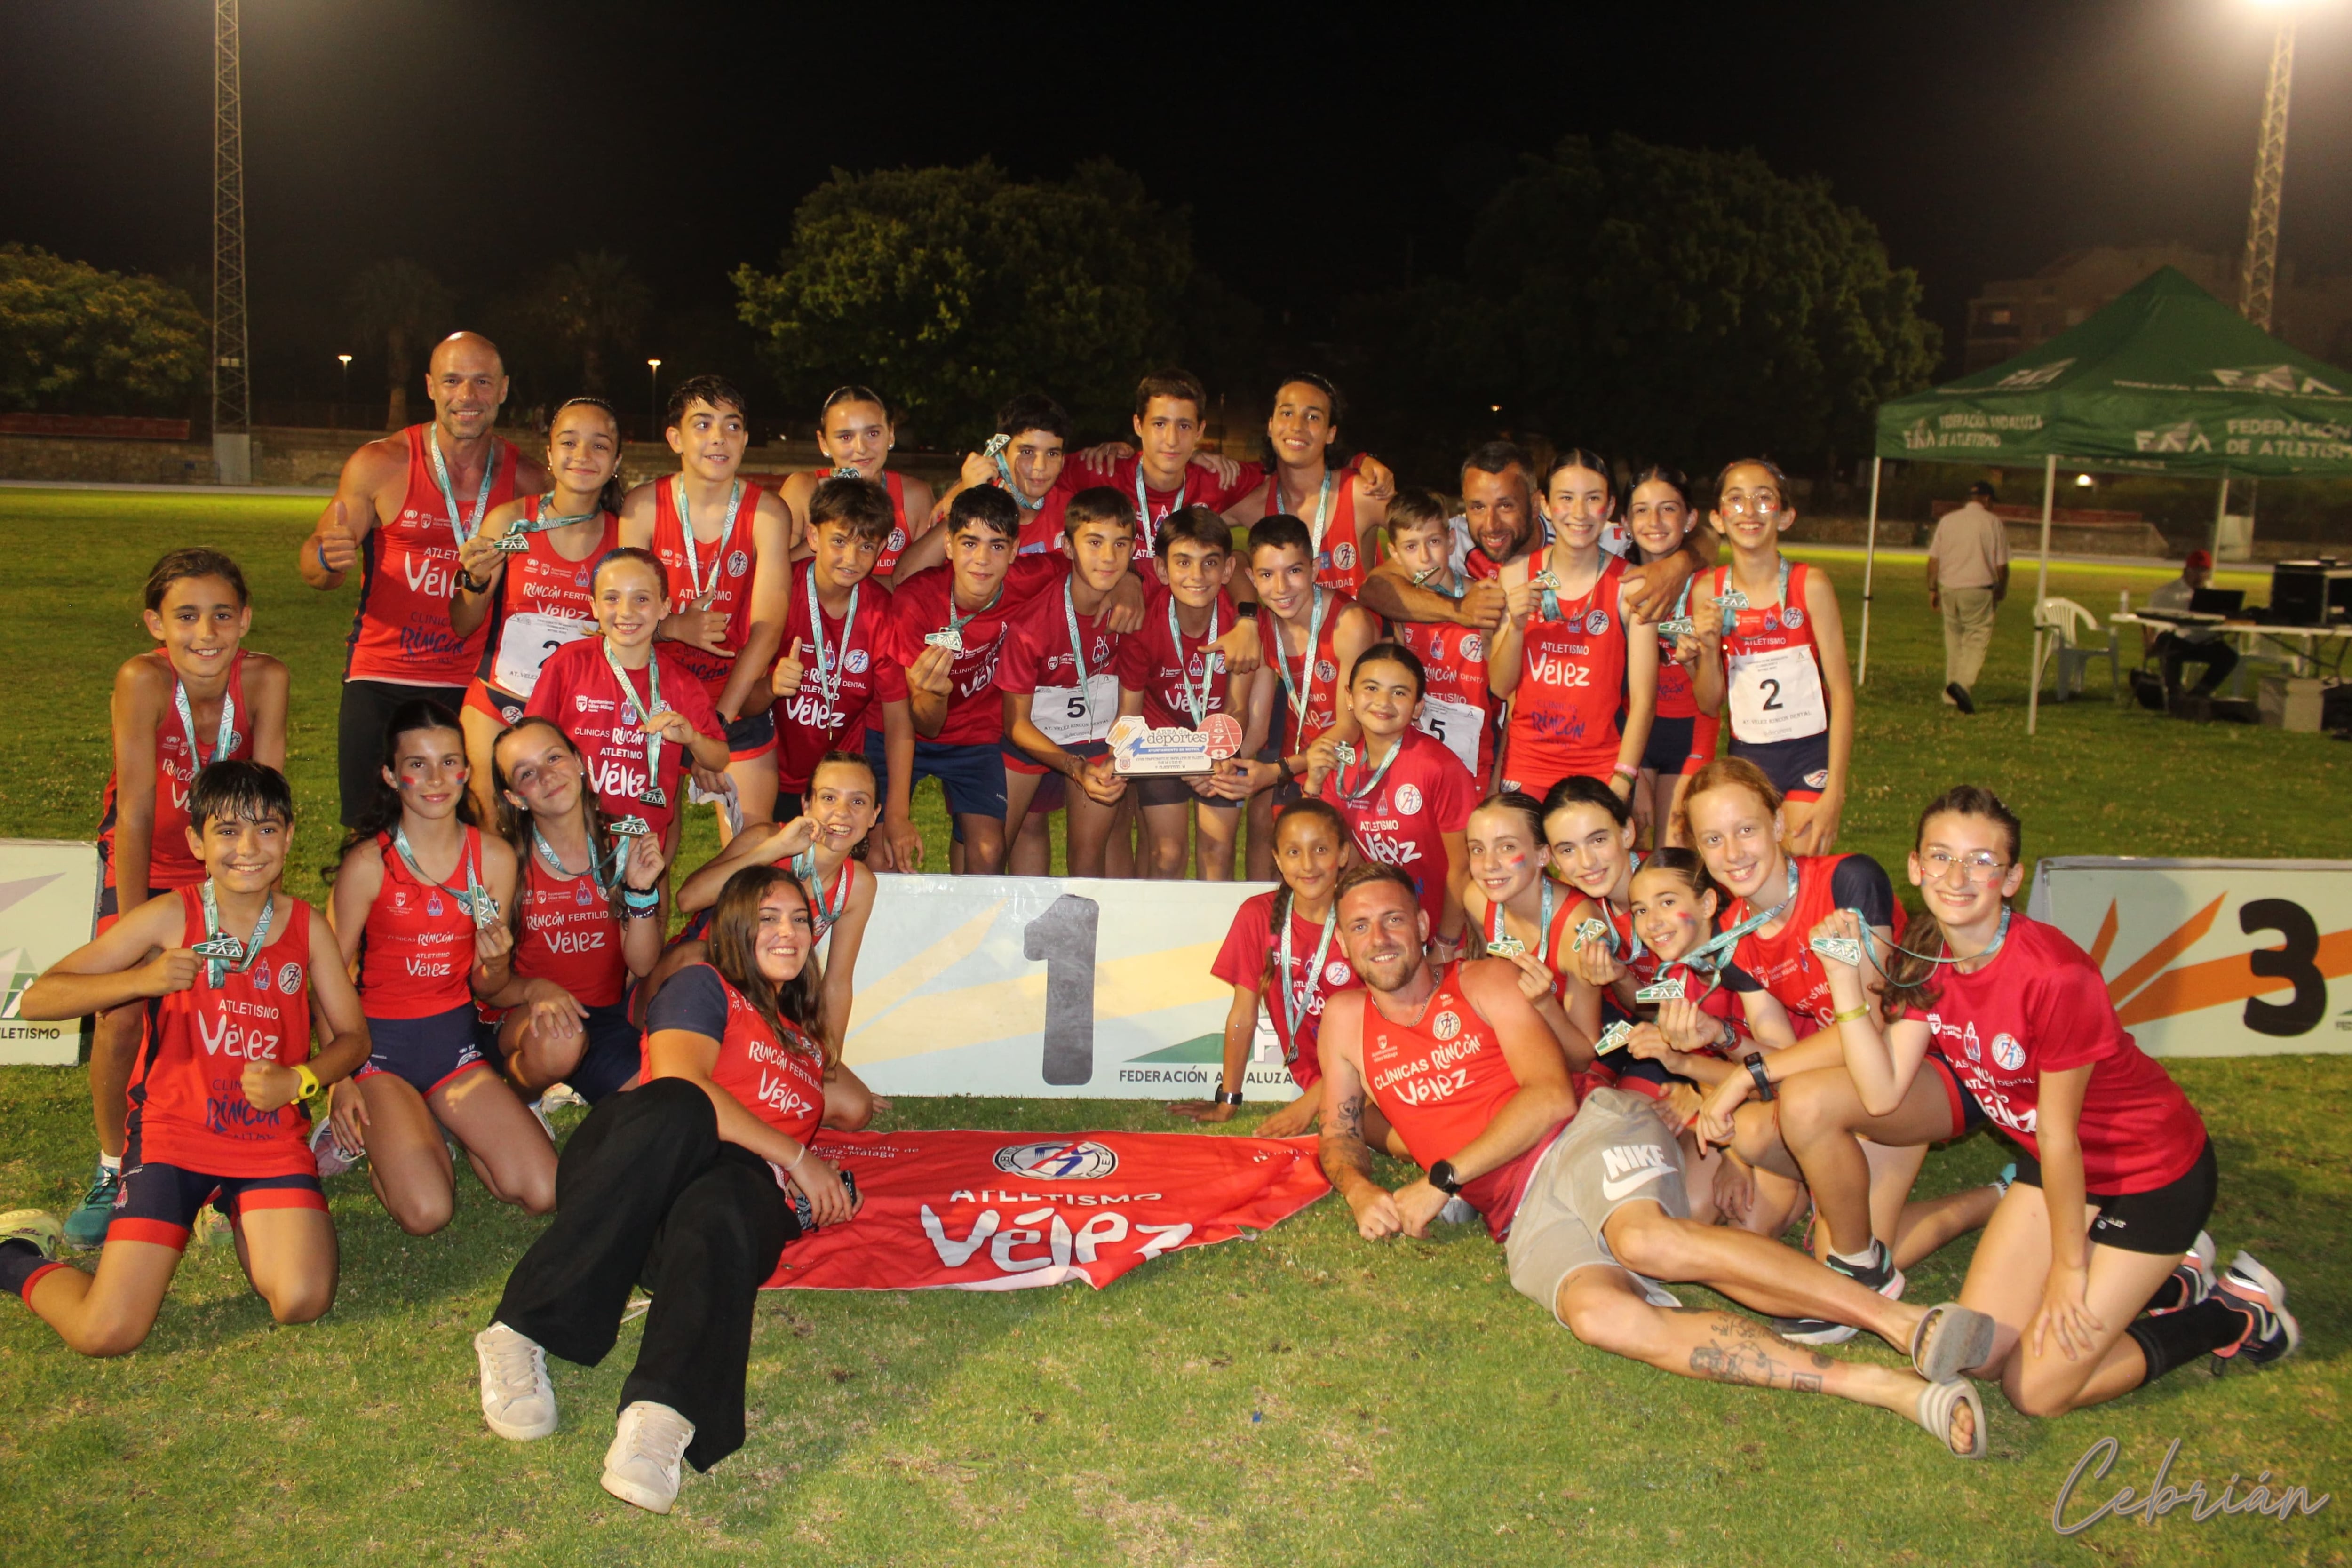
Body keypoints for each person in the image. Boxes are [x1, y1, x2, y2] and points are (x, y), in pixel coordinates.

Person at [1312, 862, 1998, 1460]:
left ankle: (1903, 1324)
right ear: (1342, 942)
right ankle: (1886, 1388)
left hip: (1582, 1133)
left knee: (1644, 1241)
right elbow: (1338, 1133)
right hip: (1517, 1211)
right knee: (1600, 1318)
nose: (1380, 938)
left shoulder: (1482, 980)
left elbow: (1549, 1098)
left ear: (1422, 924)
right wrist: (1360, 1191)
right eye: (1361, 927)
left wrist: (1443, 1181)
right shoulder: (1344, 1021)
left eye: (1393, 919)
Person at [1739, 785, 2298, 1417]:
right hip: (2063, 1175)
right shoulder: (1927, 951)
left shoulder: (2056, 975)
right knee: (1980, 1354)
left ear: (2011, 879)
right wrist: (1844, 981)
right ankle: (2169, 1280)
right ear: (1916, 867)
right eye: (1941, 856)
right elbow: (1881, 1090)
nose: (1957, 877)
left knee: (2034, 1390)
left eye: (1981, 861)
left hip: (2150, 1175)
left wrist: (2069, 1270)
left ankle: (2232, 1313)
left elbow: (2059, 1136)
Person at [470, 864, 860, 1514]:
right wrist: (798, 1157)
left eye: (800, 920)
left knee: (731, 1198)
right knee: (683, 1106)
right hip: (635, 1173)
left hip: (707, 1221)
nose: (789, 932)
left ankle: (660, 1417)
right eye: (768, 918)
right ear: (734, 927)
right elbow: (684, 1082)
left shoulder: (803, 1041)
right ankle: (520, 1328)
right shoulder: (703, 986)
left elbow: (840, 1106)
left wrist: (821, 1169)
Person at [1, 762, 369, 1356]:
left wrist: (301, 1080)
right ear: (197, 842)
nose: (248, 848)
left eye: (266, 830)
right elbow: (40, 998)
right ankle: (13, 1256)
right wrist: (141, 979)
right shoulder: (172, 916)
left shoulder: (307, 926)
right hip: (175, 1135)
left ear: (289, 838)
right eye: (227, 831)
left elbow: (353, 1038)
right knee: (107, 1333)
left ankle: (236, 1202)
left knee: (302, 1299)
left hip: (266, 1139)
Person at [1679, 757, 1989, 1331]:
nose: (1733, 853)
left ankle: (1862, 1266)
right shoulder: (1734, 934)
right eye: (1713, 839)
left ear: (1778, 824)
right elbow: (1777, 1048)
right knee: (1750, 1131)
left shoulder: (1849, 880)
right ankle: (1954, 1203)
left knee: (1804, 1115)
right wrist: (1719, 1041)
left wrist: (1745, 1076)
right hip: (1852, 1085)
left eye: (1746, 829)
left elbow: (1869, 1024)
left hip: (1923, 1068)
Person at [71, 550, 290, 1250]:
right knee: (121, 1012)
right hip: (149, 861)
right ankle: (113, 1165)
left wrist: (256, 915)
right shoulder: (143, 680)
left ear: (245, 619)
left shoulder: (266, 679)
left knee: (230, 1002)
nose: (206, 633)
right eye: (186, 616)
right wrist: (142, 932)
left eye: (222, 615)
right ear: (155, 624)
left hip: (230, 866)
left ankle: (223, 1162)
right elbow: (135, 811)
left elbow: (268, 810)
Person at [298, 331, 546, 828]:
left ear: (502, 389)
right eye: (453, 381)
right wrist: (327, 557)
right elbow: (316, 570)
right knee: (370, 838)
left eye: (482, 382)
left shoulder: (529, 481)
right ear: (431, 386)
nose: (467, 395)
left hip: (477, 685)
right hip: (382, 674)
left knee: (478, 837)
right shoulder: (382, 464)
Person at [323, 701, 553, 1234]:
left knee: (543, 1191)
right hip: (377, 1052)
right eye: (417, 764)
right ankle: (401, 1135)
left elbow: (488, 986)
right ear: (391, 775)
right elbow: (327, 976)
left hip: (454, 1049)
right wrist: (340, 1078)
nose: (435, 779)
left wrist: (495, 962)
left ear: (466, 771)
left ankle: (446, 1126)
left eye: (448, 762)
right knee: (428, 1213)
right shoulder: (369, 864)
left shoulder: (494, 859)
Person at [620, 375, 795, 837]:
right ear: (675, 438)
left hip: (733, 698)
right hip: (653, 696)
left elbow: (767, 628)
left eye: (732, 426)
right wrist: (674, 627)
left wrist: (714, 727)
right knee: (647, 845)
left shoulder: (768, 513)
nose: (719, 437)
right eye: (702, 424)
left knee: (752, 843)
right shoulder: (642, 507)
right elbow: (619, 618)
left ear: (745, 440)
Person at [449, 396, 626, 821]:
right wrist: (474, 581)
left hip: (579, 712)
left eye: (599, 446)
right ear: (549, 453)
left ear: (617, 461)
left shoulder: (626, 538)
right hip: (499, 702)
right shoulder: (511, 523)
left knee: (575, 837)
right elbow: (462, 623)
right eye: (569, 442)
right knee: (493, 834)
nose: (582, 455)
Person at [479, 718, 668, 1106]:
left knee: (665, 1094)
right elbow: (487, 986)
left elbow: (643, 964)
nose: (547, 776)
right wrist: (536, 989)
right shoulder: (503, 861)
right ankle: (524, 1095)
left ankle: (576, 1077)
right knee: (561, 1042)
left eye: (554, 758)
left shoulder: (621, 841)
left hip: (604, 1016)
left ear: (580, 762)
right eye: (527, 773)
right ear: (515, 798)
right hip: (526, 1012)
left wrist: (639, 889)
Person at [885, 486, 1073, 875]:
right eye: (970, 543)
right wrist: (935, 694)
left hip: (976, 736)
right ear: (949, 546)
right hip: (907, 731)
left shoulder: (1030, 577)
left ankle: (969, 913)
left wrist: (1129, 582)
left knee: (989, 851)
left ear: (1016, 550)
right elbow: (925, 724)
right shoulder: (916, 600)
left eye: (997, 546)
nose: (983, 560)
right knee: (880, 854)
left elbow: (1088, 566)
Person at [669, 751, 883, 1087]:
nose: (842, 812)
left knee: (853, 1106)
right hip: (702, 982)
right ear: (807, 804)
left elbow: (838, 982)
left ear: (874, 816)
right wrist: (775, 849)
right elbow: (688, 898)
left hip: (768, 1002)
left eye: (858, 802)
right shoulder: (767, 840)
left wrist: (828, 1066)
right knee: (696, 957)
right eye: (829, 798)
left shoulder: (858, 884)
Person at [1688, 459, 1854, 855]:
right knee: (1753, 868)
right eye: (1736, 500)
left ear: (1786, 516)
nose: (1749, 511)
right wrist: (1708, 647)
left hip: (1809, 754)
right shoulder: (1708, 592)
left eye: (1764, 499)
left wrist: (1836, 791)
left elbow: (1843, 694)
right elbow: (1708, 703)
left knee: (1802, 865)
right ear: (1718, 518)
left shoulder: (1810, 585)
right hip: (1749, 756)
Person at [524, 548, 730, 863]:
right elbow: (531, 741)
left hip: (641, 845)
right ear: (594, 606)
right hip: (570, 832)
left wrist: (693, 738)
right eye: (612, 598)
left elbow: (719, 758)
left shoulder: (682, 683)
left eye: (641, 599)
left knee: (640, 895)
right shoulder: (568, 663)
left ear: (665, 607)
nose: (626, 612)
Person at [1174, 799, 1359, 1136]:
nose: (1308, 865)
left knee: (1367, 1134)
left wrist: (1310, 1105)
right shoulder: (1258, 916)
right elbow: (1243, 1014)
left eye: (1321, 849)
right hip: (1328, 1084)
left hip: (1373, 1074)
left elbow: (1382, 1036)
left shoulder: (1363, 919)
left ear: (1343, 853)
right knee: (1351, 1129)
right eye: (1294, 852)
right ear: (1277, 858)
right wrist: (1228, 1099)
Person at [1490, 450, 1660, 806]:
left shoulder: (1632, 585)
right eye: (1566, 498)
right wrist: (1516, 627)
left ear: (1609, 507)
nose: (1579, 513)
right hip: (1528, 764)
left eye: (1593, 499)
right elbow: (1500, 686)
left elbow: (1644, 700)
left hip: (1599, 768)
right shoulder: (1516, 574)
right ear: (1545, 504)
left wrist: (1623, 780)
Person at [771, 475, 918, 870]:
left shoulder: (880, 612)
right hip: (771, 769)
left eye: (866, 546)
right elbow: (745, 697)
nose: (851, 558)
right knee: (764, 877)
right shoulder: (780, 590)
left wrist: (898, 815)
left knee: (866, 868)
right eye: (839, 541)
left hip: (837, 776)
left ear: (882, 548)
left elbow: (899, 722)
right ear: (813, 536)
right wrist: (771, 686)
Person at [996, 487, 1136, 877]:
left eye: (1120, 544)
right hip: (1032, 736)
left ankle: (1089, 917)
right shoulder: (1033, 625)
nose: (1108, 557)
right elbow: (1015, 724)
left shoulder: (1131, 612)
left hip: (1099, 735)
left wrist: (1115, 755)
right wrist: (1074, 767)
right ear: (1068, 547)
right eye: (1094, 542)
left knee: (1089, 856)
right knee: (996, 846)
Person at [1117, 506, 1262, 880]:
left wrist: (1211, 758)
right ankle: (1160, 922)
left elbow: (1237, 708)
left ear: (1227, 570)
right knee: (1167, 854)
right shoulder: (1143, 626)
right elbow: (1130, 716)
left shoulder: (1240, 628)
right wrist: (1180, 760)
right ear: (1162, 569)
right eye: (1183, 562)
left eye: (1210, 563)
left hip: (1221, 745)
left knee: (1218, 853)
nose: (1197, 576)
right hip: (1161, 745)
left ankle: (1217, 923)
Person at [1301, 644, 1473, 954]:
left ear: (1418, 707)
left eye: (1399, 693)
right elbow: (1330, 853)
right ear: (1350, 697)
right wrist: (1313, 783)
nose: (1383, 702)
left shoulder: (1440, 767)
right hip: (1380, 928)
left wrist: (1446, 943)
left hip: (1442, 928)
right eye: (1371, 688)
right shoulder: (1339, 766)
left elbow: (1463, 867)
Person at [1239, 513, 1380, 879]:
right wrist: (1228, 765)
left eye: (1294, 571)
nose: (1281, 587)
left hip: (1351, 755)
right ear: (1253, 578)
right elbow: (1257, 727)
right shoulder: (1266, 624)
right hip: (1301, 752)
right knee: (1262, 818)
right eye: (1267, 575)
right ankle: (1264, 908)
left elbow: (1351, 728)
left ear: (1315, 569)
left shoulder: (1349, 623)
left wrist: (1278, 770)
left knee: (1327, 848)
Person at [1218, 374, 1390, 597]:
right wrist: (1193, 458)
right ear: (1271, 425)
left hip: (1356, 619)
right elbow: (1183, 514)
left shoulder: (1362, 493)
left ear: (1330, 434)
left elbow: (1428, 537)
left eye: (1313, 417)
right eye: (1287, 413)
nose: (1297, 426)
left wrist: (1392, 591)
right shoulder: (1254, 505)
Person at [1382, 486, 1499, 785]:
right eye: (1411, 547)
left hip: (1474, 763)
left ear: (1451, 542)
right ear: (1394, 553)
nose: (1425, 557)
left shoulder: (1484, 603)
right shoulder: (1401, 608)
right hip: (1417, 759)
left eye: (1434, 542)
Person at [1621, 467, 1715, 841]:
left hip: (1691, 732)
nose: (1655, 521)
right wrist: (1633, 771)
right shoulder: (1617, 583)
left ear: (1690, 519)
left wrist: (1695, 662)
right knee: (1625, 847)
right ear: (1625, 523)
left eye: (1669, 509)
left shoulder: (1711, 587)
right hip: (1631, 732)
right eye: (1642, 510)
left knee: (1674, 851)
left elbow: (1715, 696)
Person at [775, 385, 937, 582]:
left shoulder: (915, 496)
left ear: (891, 434)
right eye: (846, 437)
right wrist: (834, 513)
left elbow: (925, 582)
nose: (861, 448)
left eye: (873, 434)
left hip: (890, 603)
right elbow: (776, 574)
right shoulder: (803, 489)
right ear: (824, 443)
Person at [1923, 480, 2010, 714]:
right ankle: (1962, 685)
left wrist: (1932, 589)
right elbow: (2002, 565)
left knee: (1954, 640)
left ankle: (1951, 693)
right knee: (1977, 638)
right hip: (1979, 588)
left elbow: (1934, 560)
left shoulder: (1948, 521)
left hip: (1949, 587)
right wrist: (2002, 588)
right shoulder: (1993, 523)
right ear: (1987, 499)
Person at [2146, 548, 2238, 697]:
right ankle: (2175, 693)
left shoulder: (2215, 594)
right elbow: (2150, 621)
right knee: (2168, 645)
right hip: (2177, 641)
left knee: (2229, 656)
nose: (2199, 575)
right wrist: (2150, 641)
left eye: (2204, 571)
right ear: (2186, 571)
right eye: (2196, 570)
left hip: (2204, 642)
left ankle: (2199, 693)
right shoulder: (2165, 593)